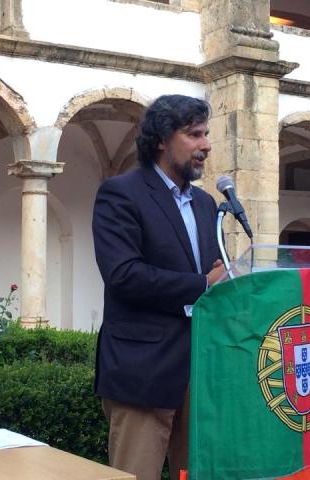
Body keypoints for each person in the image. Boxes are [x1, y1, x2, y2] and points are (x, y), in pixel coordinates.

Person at [92, 94, 225, 480]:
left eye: (206, 134)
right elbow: (123, 274)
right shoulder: (121, 193)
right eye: (194, 135)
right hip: (143, 370)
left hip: (200, 369)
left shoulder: (206, 204)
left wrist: (226, 276)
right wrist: (202, 283)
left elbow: (214, 271)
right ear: (162, 139)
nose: (206, 145)